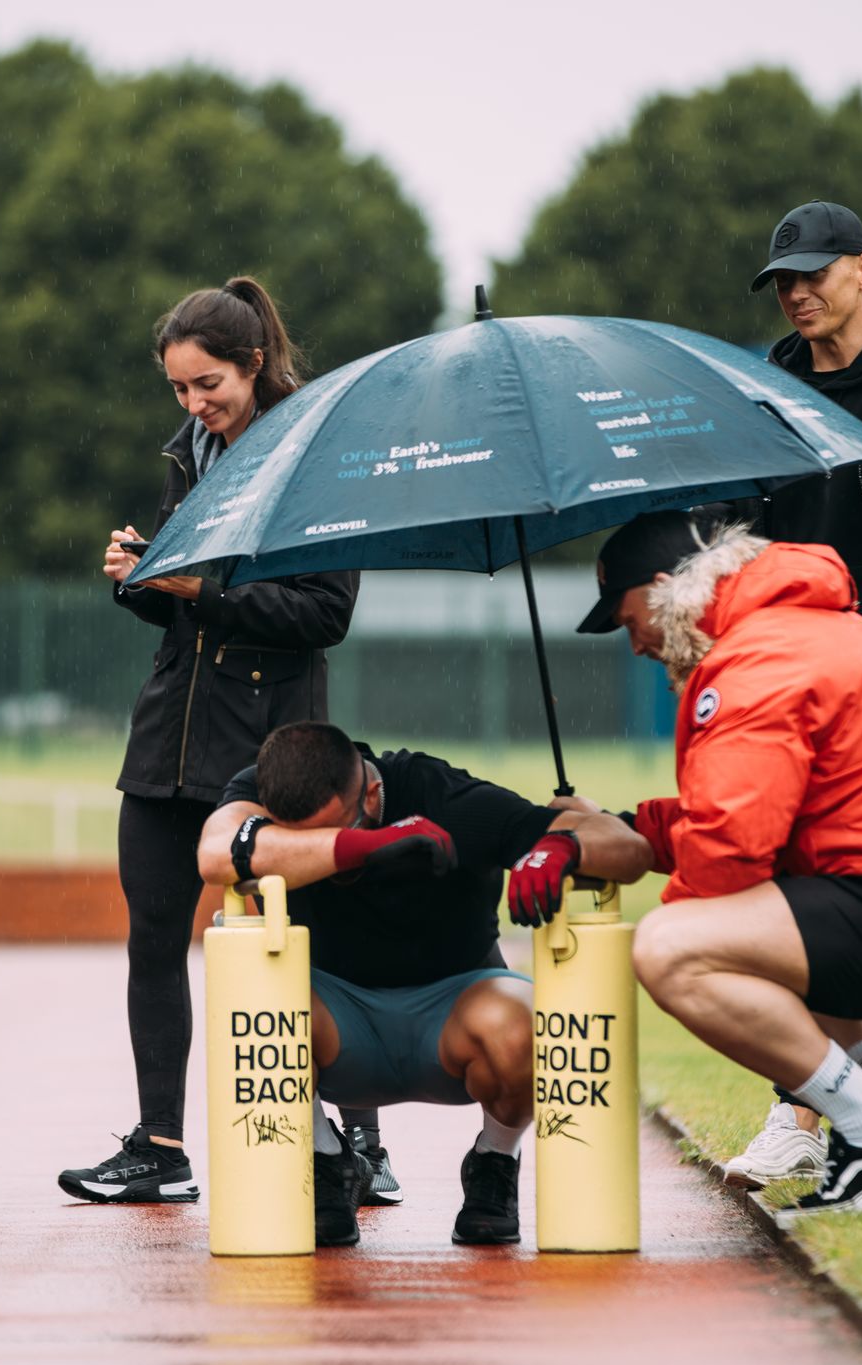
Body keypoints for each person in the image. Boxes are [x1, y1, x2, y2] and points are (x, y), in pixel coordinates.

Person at [58, 278, 363, 1208]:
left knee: (301, 944)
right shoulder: (189, 454)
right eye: (181, 390)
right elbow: (182, 607)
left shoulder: (314, 457)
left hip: (273, 745)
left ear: (252, 366)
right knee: (153, 938)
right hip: (168, 733)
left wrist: (202, 592)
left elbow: (325, 614)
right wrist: (139, 578)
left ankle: (353, 1142)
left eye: (209, 386)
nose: (194, 405)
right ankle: (160, 1147)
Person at [565, 509, 862, 1216]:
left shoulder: (755, 655)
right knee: (790, 911)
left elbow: (729, 856)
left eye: (626, 614)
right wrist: (628, 829)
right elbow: (762, 815)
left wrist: (674, 898)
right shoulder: (792, 628)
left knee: (673, 948)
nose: (633, 640)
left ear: (667, 587)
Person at [196, 720, 644, 1245]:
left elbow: (628, 846)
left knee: (526, 1019)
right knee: (254, 989)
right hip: (336, 1024)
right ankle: (328, 1161)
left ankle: (494, 1162)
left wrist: (561, 847)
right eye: (298, 838)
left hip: (455, 1018)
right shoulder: (263, 787)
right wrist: (365, 843)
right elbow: (214, 852)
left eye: (339, 825)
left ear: (372, 791)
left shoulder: (445, 798)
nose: (315, 851)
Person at [721, 199, 862, 1188]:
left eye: (812, 273)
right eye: (782, 282)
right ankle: (804, 1117)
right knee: (795, 908)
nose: (796, 293)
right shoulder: (757, 396)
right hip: (795, 702)